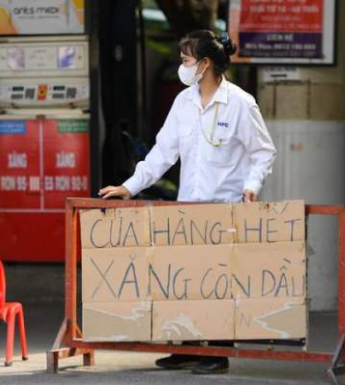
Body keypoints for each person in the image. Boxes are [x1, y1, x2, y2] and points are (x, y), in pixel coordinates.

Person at [98, 30, 276, 374]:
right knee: (184, 278)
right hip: (187, 208)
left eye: (186, 60)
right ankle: (185, 347)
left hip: (224, 210)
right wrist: (129, 187)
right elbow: (163, 152)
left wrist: (253, 185)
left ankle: (217, 353)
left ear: (205, 63)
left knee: (218, 282)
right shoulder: (183, 102)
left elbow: (263, 151)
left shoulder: (240, 103)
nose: (182, 66)